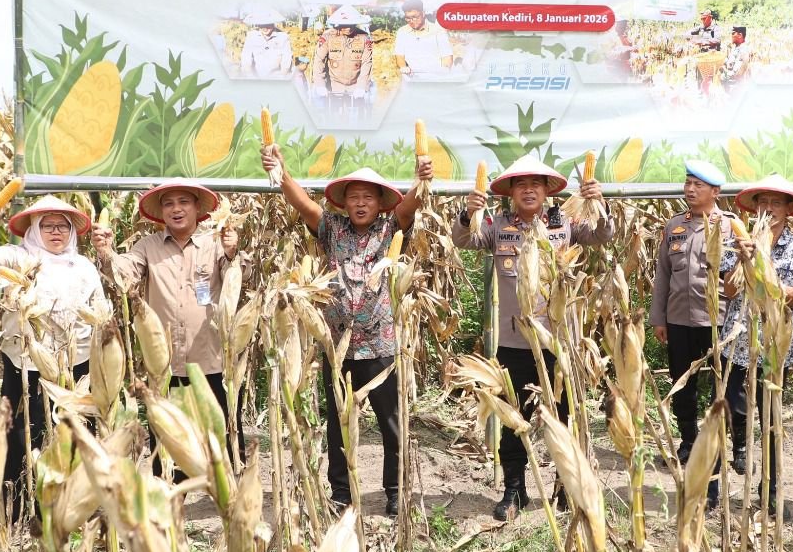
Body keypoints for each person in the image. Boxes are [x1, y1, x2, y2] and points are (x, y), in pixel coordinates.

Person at [261, 144, 435, 517]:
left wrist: (421, 179)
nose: (359, 204)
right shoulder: (332, 229)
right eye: (353, 197)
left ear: (378, 203)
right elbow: (303, 206)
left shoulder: (390, 229)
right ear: (344, 203)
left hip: (380, 345)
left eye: (367, 198)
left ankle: (394, 489)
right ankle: (341, 491)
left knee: (390, 423)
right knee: (338, 422)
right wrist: (280, 171)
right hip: (337, 346)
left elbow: (410, 206)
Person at [452, 154, 611, 520]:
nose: (528, 190)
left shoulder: (565, 223)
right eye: (520, 185)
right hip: (515, 342)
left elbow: (603, 235)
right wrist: (467, 213)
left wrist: (598, 204)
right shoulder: (498, 226)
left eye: (535, 185)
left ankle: (565, 485)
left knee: (566, 415)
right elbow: (465, 240)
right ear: (510, 193)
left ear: (545, 191)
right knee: (514, 417)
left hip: (559, 342)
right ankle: (514, 489)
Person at [0, 194, 105, 522]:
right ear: (33, 229)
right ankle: (16, 504)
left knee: (76, 432)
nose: (56, 232)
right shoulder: (19, 258)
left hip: (77, 364)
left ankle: (75, 502)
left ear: (72, 232)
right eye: (47, 226)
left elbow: (101, 308)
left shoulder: (84, 266)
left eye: (62, 226)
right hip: (26, 363)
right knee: (21, 433)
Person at [93, 182, 241, 450]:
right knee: (166, 444)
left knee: (221, 441)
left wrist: (232, 253)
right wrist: (106, 253)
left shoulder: (216, 243)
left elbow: (238, 281)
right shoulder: (147, 247)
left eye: (184, 202)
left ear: (197, 207)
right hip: (165, 364)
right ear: (161, 212)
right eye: (168, 203)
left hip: (211, 361)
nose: (176, 209)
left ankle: (228, 491)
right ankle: (169, 489)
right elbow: (124, 275)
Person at [719, 175, 793, 504]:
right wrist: (747, 259)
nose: (769, 209)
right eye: (763, 202)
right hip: (737, 342)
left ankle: (771, 491)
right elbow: (729, 291)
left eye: (777, 203)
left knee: (772, 419)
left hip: (777, 345)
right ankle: (731, 462)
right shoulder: (737, 244)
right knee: (729, 410)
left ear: (789, 209)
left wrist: (765, 280)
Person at [652, 159, 738, 504]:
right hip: (678, 319)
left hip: (717, 322)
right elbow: (662, 275)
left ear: (714, 192)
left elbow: (740, 275)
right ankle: (688, 439)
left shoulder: (731, 227)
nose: (689, 190)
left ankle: (723, 445)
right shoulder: (675, 226)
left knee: (722, 389)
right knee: (680, 384)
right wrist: (659, 318)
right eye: (687, 183)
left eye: (697, 185)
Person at [311, 4, 375, 122]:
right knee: (333, 117)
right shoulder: (327, 36)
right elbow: (318, 61)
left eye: (351, 24)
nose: (348, 28)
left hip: (355, 84)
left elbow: (367, 63)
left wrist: (361, 87)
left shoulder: (364, 38)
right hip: (335, 84)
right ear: (337, 23)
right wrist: (320, 85)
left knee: (357, 119)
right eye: (345, 25)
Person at [391, 0, 455, 78]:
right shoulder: (402, 32)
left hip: (436, 78)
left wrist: (444, 71)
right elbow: (400, 56)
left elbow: (447, 56)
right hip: (413, 78)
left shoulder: (438, 31)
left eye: (415, 17)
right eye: (408, 18)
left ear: (423, 13)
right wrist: (403, 67)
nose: (411, 21)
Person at [238, 8, 293, 78]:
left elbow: (286, 60)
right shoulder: (251, 36)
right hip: (256, 77)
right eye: (262, 25)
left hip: (276, 77)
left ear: (273, 23)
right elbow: (246, 58)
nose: (265, 28)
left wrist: (282, 75)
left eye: (268, 24)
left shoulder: (283, 37)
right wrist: (250, 75)